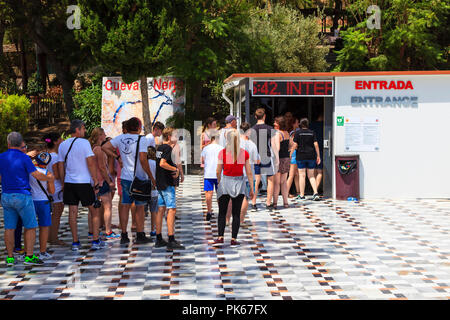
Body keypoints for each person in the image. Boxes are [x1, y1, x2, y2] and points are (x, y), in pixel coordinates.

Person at [0, 132, 54, 266]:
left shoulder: (1, 157)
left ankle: (10, 257)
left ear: (8, 143)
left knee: (9, 228)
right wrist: (49, 178)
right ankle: (29, 256)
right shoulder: (24, 158)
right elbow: (36, 174)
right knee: (30, 226)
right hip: (23, 196)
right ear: (20, 144)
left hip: (6, 195)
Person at [103, 117, 155, 245]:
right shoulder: (141, 139)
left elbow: (105, 147)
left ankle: (124, 235)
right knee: (140, 206)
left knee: (125, 205)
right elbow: (143, 160)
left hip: (125, 177)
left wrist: (118, 157)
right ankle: (140, 233)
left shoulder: (121, 138)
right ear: (138, 127)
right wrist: (151, 177)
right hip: (139, 178)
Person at [57, 119, 103, 251]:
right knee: (94, 210)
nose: (85, 131)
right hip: (83, 182)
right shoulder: (84, 143)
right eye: (83, 129)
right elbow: (90, 162)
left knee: (73, 212)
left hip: (69, 182)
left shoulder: (63, 145)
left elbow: (61, 165)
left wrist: (62, 181)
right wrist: (95, 179)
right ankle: (95, 240)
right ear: (78, 129)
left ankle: (75, 242)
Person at [213, 129, 254, 247]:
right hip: (239, 183)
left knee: (222, 212)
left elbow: (218, 171)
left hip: (225, 182)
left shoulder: (223, 152)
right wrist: (251, 188)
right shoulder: (243, 153)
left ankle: (220, 237)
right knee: (236, 213)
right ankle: (233, 239)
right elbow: (249, 172)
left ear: (227, 139)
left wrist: (219, 183)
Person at [155, 128, 185, 250]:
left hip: (160, 183)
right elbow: (162, 163)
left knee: (160, 209)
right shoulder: (167, 148)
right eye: (175, 135)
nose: (177, 137)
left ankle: (158, 238)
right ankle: (171, 239)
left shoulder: (160, 148)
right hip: (167, 183)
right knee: (171, 209)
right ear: (168, 137)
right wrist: (176, 170)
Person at [89, 128, 119, 240]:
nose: (105, 135)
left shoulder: (92, 149)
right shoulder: (99, 150)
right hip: (101, 181)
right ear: (100, 136)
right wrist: (109, 181)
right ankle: (108, 231)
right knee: (108, 206)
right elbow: (102, 167)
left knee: (93, 206)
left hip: (93, 181)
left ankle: (91, 230)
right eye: (104, 134)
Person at [250, 108, 278, 211]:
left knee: (256, 181)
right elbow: (274, 145)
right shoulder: (270, 129)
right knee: (270, 180)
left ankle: (253, 203)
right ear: (265, 116)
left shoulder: (252, 130)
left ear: (255, 117)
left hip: (255, 157)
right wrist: (277, 158)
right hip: (266, 155)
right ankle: (268, 203)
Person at [28, 152, 55, 260]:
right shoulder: (47, 173)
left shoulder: (30, 172)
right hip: (43, 202)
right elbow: (52, 191)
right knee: (44, 227)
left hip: (31, 201)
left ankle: (28, 251)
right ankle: (42, 251)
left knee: (29, 227)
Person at [44, 132, 66, 246]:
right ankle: (53, 238)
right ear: (56, 141)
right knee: (57, 214)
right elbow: (56, 175)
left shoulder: (46, 155)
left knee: (54, 214)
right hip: (57, 187)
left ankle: (50, 236)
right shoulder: (56, 157)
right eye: (61, 139)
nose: (62, 140)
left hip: (48, 187)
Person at [292, 118, 321, 201]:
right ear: (308, 125)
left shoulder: (298, 133)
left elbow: (294, 145)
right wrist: (318, 155)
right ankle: (315, 193)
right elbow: (316, 144)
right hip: (311, 156)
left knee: (302, 175)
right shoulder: (312, 133)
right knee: (311, 175)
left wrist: (290, 154)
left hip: (301, 156)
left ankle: (301, 195)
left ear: (300, 125)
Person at [145, 121, 165, 236]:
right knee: (153, 206)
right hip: (150, 179)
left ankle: (151, 228)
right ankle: (153, 229)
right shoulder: (149, 138)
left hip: (149, 176)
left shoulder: (151, 139)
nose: (160, 133)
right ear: (156, 129)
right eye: (160, 131)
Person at [238, 122, 260, 223]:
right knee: (245, 198)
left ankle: (229, 219)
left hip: (234, 174)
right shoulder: (252, 145)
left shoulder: (236, 143)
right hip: (248, 174)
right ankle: (241, 220)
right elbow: (257, 161)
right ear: (249, 131)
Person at [200, 132, 223, 221]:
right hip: (219, 174)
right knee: (220, 194)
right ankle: (221, 211)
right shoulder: (222, 148)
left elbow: (202, 160)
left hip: (208, 173)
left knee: (208, 193)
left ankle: (209, 211)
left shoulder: (206, 148)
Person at [273, 116, 290, 209]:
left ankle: (275, 203)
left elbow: (277, 148)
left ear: (279, 124)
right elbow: (292, 145)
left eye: (275, 122)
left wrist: (275, 158)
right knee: (284, 182)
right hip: (286, 158)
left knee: (276, 183)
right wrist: (289, 152)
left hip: (279, 159)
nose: (274, 124)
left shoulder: (277, 134)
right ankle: (285, 202)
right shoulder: (287, 133)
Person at [310, 113, 324, 194]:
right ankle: (315, 191)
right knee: (319, 172)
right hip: (321, 150)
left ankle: (314, 189)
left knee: (314, 172)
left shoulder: (311, 125)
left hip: (311, 150)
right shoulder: (323, 125)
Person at [286, 116, 300, 199]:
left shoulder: (290, 132)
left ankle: (298, 192)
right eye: (297, 122)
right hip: (294, 154)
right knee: (291, 175)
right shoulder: (293, 133)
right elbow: (294, 144)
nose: (298, 124)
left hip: (292, 154)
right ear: (294, 124)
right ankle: (286, 192)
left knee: (296, 174)